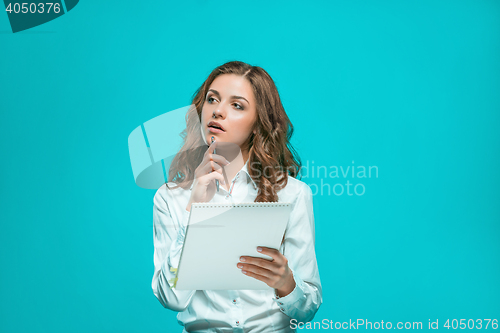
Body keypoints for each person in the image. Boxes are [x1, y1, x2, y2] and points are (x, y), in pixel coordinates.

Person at [152, 60, 322, 332]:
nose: (218, 111)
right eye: (212, 99)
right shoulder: (169, 198)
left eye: (237, 105)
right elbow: (172, 299)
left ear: (258, 123)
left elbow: (307, 309)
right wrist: (194, 209)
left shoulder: (293, 194)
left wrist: (286, 283)